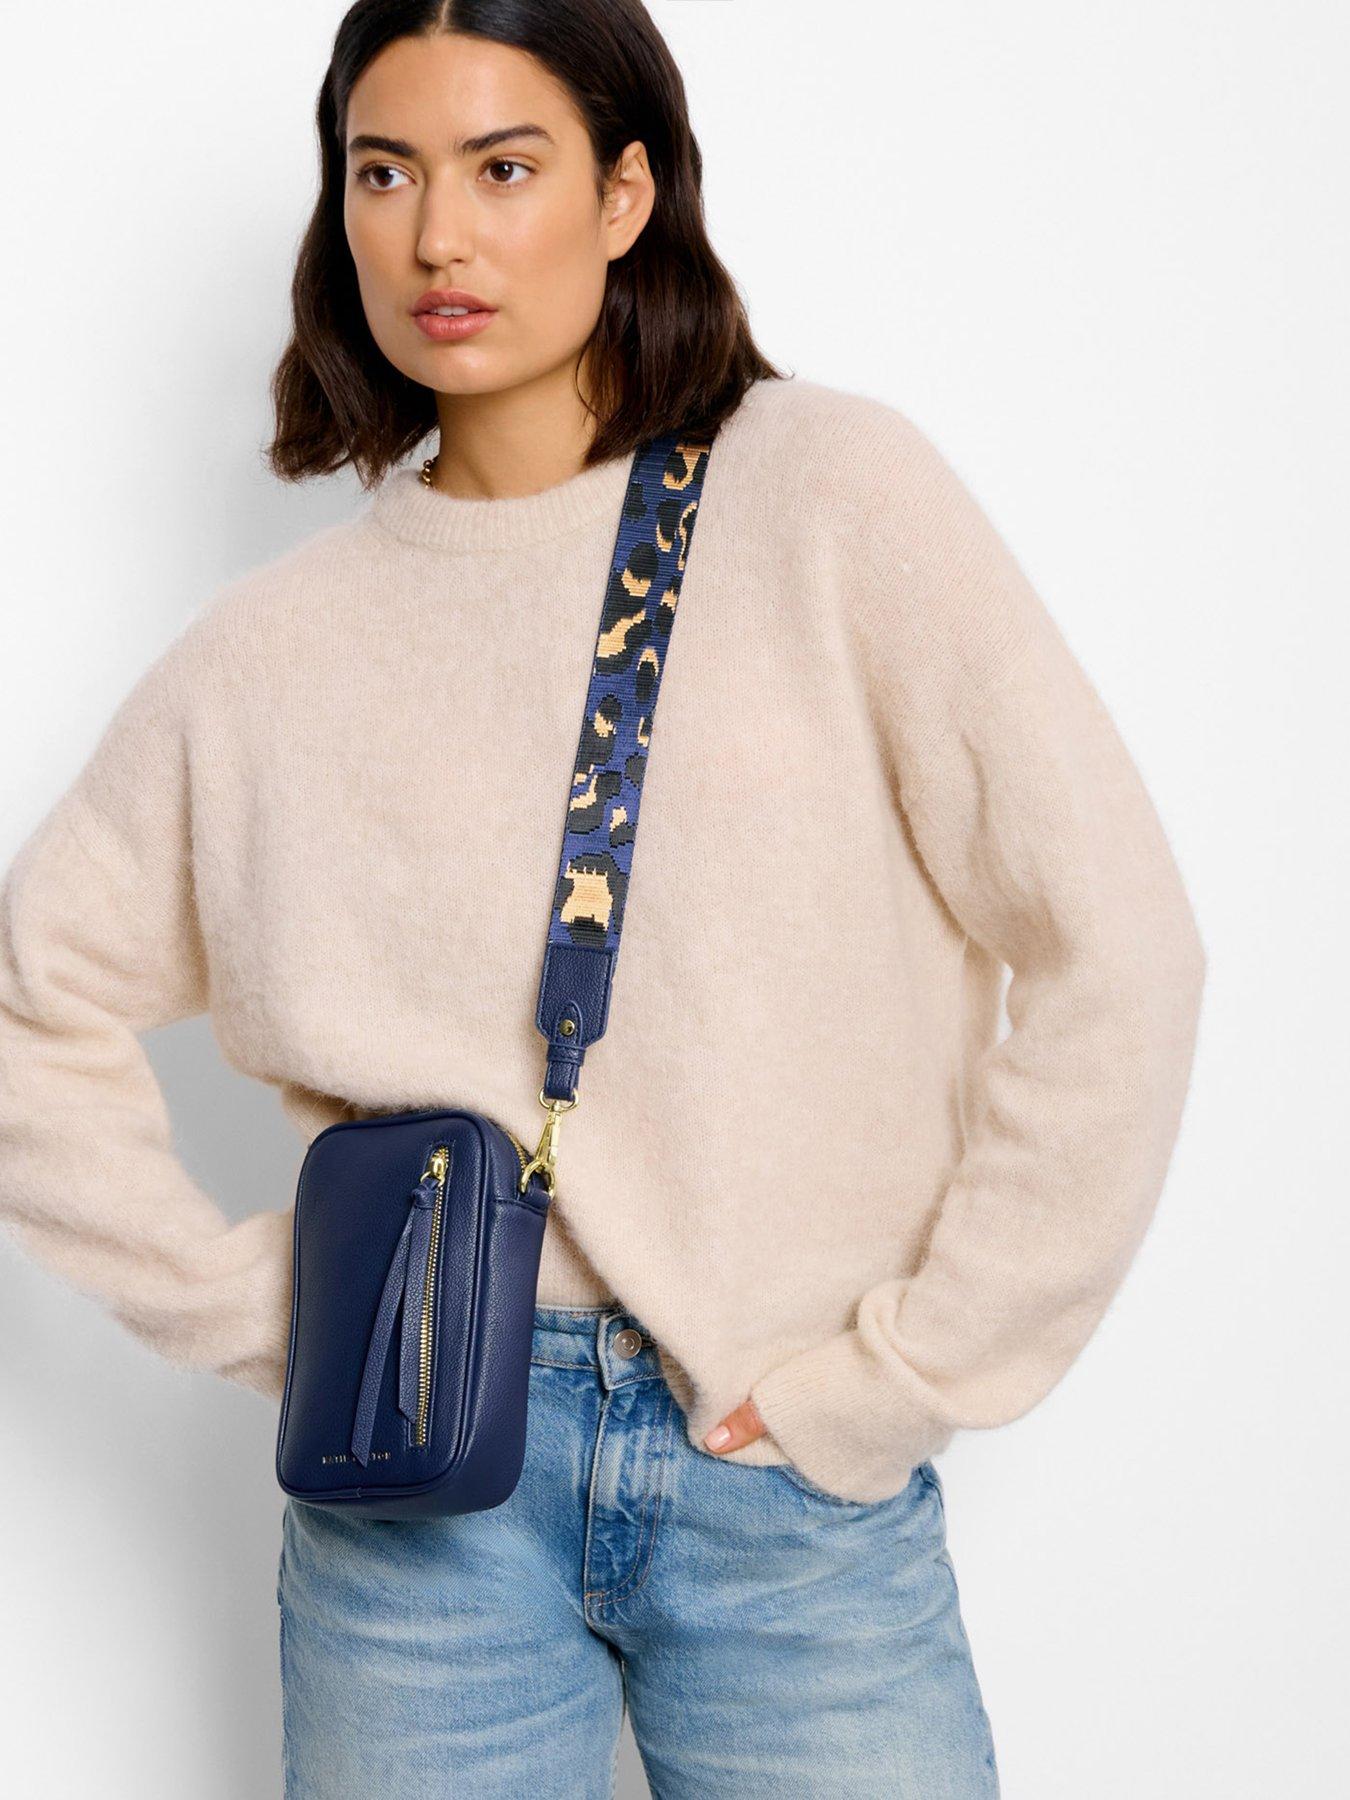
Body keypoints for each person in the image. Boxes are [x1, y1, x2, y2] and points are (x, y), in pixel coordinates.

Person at [0, 2, 1206, 1795]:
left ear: (625, 192)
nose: (439, 236)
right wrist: (266, 1313)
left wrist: (912, 1371)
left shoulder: (828, 496)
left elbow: (1119, 945)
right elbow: (33, 1005)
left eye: (505, 168)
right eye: (384, 174)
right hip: (416, 1502)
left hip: (783, 1482)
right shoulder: (267, 655)